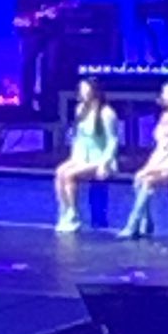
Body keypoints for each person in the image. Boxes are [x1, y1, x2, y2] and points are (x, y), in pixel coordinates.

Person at [117, 80, 168, 240]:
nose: (163, 96)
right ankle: (146, 221)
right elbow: (158, 147)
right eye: (163, 92)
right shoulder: (163, 115)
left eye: (167, 93)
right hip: (160, 159)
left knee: (148, 181)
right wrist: (150, 165)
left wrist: (157, 163)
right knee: (139, 177)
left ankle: (133, 223)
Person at [53, 77, 119, 234]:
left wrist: (104, 163)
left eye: (86, 90)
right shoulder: (80, 109)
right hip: (82, 157)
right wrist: (73, 159)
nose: (82, 93)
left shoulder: (106, 113)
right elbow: (79, 138)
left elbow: (113, 141)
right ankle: (65, 210)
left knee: (69, 175)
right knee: (60, 172)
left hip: (101, 159)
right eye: (81, 90)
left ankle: (74, 214)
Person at [15, 0, 69, 112]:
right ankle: (26, 103)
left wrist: (55, 10)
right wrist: (24, 17)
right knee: (28, 64)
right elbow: (20, 1)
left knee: (50, 66)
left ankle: (48, 103)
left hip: (51, 29)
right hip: (31, 29)